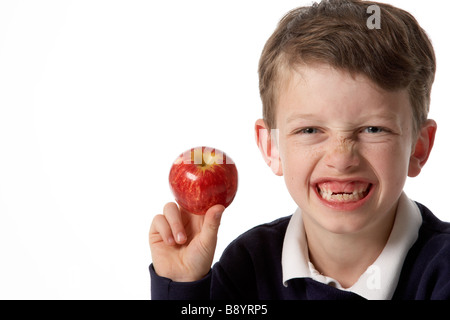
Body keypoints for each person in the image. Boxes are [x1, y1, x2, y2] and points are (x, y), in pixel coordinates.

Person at [149, 0, 450, 299]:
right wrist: (182, 286)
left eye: (373, 129)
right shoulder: (248, 265)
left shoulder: (442, 271)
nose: (342, 158)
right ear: (271, 146)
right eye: (310, 130)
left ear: (418, 147)